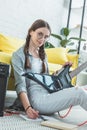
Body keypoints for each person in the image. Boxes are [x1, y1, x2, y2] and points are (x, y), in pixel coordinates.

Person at [11, 19, 87, 119]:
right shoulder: (18, 55)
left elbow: (47, 79)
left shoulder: (43, 55)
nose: (42, 39)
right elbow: (20, 85)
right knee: (79, 93)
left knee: (82, 88)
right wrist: (28, 108)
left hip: (48, 93)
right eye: (40, 34)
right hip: (37, 99)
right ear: (31, 32)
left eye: (46, 37)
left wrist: (61, 70)